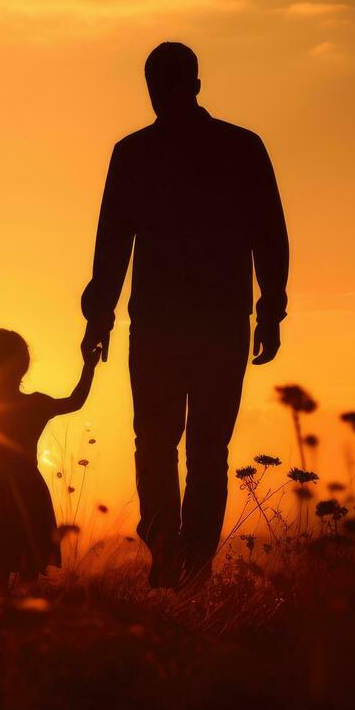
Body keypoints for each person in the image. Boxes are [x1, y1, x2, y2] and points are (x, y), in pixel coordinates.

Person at [80, 42, 289, 588]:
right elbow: (271, 235)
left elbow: (110, 247)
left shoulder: (136, 153)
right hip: (209, 322)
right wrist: (270, 308)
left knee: (161, 443)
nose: (160, 96)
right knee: (198, 449)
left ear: (187, 85)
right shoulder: (239, 147)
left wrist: (98, 317)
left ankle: (176, 555)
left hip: (165, 325)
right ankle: (185, 559)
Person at [0, 329, 99, 590]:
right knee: (29, 569)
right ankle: (27, 622)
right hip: (29, 491)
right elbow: (75, 401)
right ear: (23, 365)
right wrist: (88, 367)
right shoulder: (36, 404)